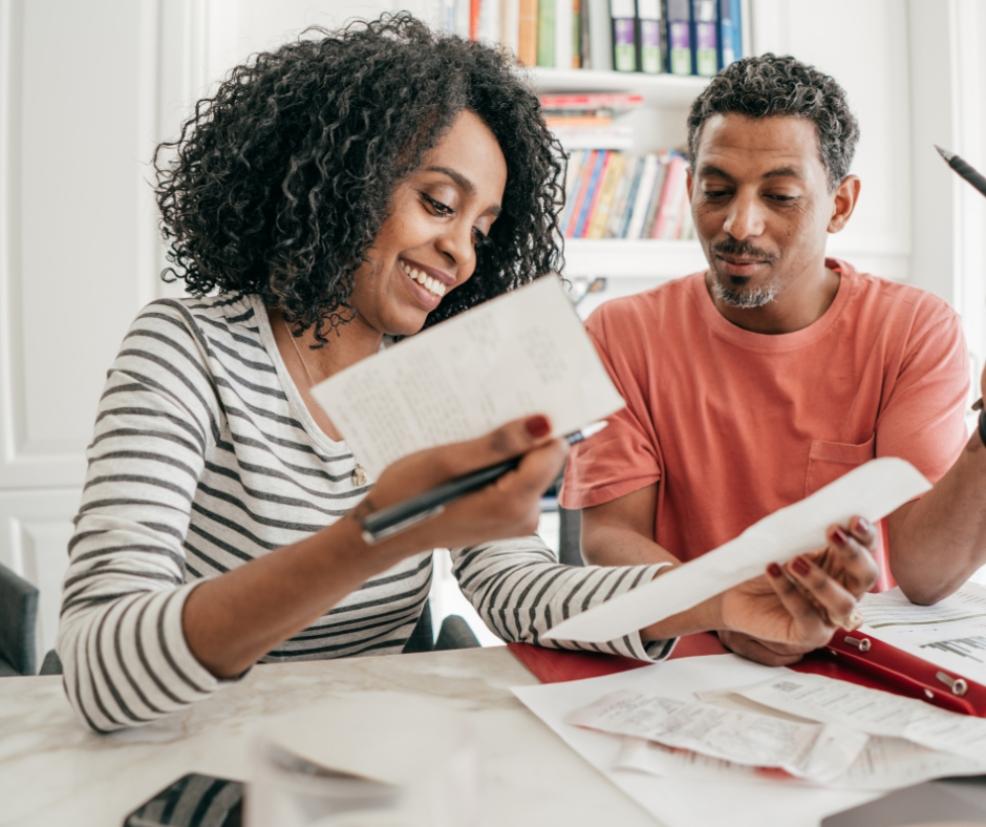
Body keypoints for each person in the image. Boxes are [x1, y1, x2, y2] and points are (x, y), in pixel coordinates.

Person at [58, 19, 876, 734]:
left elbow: (517, 587)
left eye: (483, 229)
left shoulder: (436, 381)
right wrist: (380, 532)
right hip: (185, 746)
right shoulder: (187, 349)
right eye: (439, 204)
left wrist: (714, 596)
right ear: (337, 179)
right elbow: (97, 662)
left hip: (350, 754)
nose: (462, 253)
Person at [561, 53, 985, 667]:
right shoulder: (621, 333)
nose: (739, 224)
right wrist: (725, 607)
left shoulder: (914, 330)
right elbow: (608, 536)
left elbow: (925, 574)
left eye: (780, 195)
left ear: (840, 205)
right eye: (716, 191)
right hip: (683, 660)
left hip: (854, 666)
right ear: (689, 188)